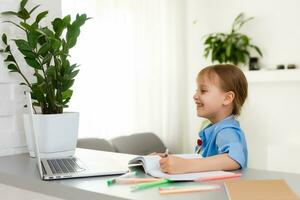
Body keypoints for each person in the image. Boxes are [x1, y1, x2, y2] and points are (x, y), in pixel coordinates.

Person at [159, 64, 248, 174]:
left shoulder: (227, 131)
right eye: (197, 90)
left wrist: (187, 165)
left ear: (227, 98)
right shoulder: (213, 128)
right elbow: (203, 161)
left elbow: (233, 159)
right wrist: (168, 160)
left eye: (203, 90)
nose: (195, 96)